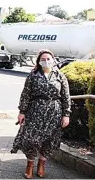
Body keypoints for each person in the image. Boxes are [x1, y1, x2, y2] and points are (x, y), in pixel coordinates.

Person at [10, 49, 71, 179]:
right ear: (38, 61)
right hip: (35, 111)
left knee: (50, 140)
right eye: (43, 59)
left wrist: (66, 114)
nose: (46, 61)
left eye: (48, 59)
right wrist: (22, 112)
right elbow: (25, 95)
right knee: (31, 139)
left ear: (53, 60)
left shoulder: (60, 76)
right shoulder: (33, 75)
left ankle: (42, 164)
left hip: (54, 112)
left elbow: (66, 97)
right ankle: (30, 165)